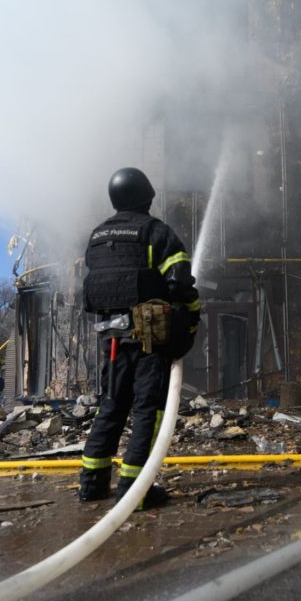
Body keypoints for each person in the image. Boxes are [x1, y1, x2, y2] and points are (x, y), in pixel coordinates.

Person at [79, 167, 200, 509]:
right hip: (149, 340)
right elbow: (180, 281)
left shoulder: (98, 236)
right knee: (148, 410)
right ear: (147, 197)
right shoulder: (155, 232)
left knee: (111, 406)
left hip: (111, 340)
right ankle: (136, 490)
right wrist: (191, 314)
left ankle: (91, 484)